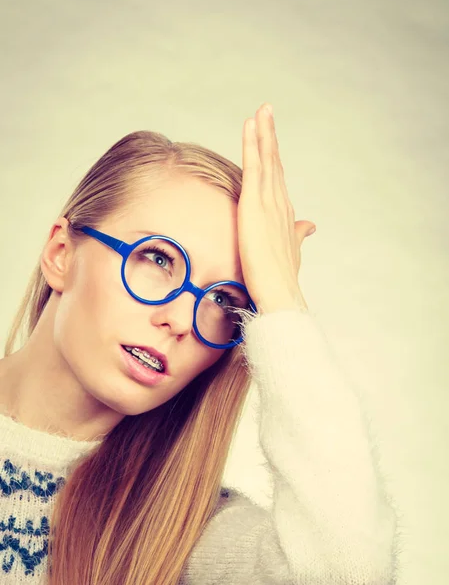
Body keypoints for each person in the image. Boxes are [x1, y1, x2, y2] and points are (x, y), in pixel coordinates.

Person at [0, 103, 401, 585]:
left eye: (223, 301)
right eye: (157, 258)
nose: (182, 321)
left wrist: (279, 301)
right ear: (61, 254)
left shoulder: (186, 534)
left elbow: (348, 573)